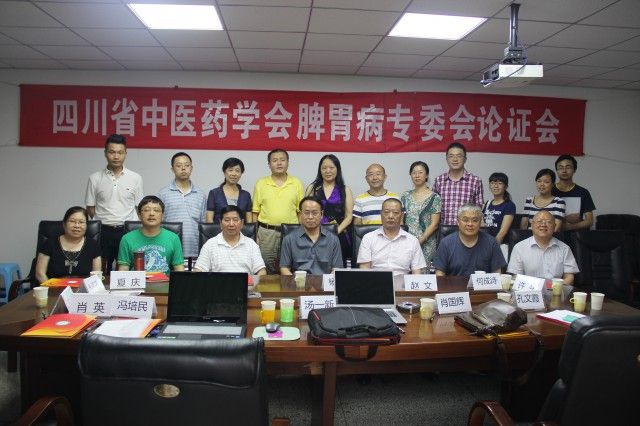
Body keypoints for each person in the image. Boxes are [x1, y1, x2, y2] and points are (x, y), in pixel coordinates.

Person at [85, 134, 143, 273]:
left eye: (120, 152)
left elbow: (139, 207)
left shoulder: (135, 178)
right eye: (112, 152)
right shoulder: (94, 178)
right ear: (105, 153)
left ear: (125, 153)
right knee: (101, 270)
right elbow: (90, 207)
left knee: (126, 269)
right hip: (103, 230)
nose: (116, 156)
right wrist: (105, 218)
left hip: (127, 231)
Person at [252, 149, 304, 274]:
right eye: (275, 160)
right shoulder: (261, 183)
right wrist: (255, 235)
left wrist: (300, 233)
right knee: (265, 267)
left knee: (291, 266)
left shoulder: (296, 183)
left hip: (291, 232)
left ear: (288, 163)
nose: (279, 163)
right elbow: (255, 212)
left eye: (282, 160)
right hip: (266, 233)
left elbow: (301, 212)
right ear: (269, 164)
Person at [305, 154, 353, 267]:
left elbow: (349, 216)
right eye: (324, 168)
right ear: (320, 170)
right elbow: (305, 212)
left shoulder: (345, 189)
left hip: (339, 235)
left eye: (331, 168)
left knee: (338, 269)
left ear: (337, 169)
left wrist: (336, 232)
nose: (328, 171)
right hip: (315, 235)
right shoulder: (312, 188)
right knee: (316, 267)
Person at [432, 204, 506, 276]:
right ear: (458, 221)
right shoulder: (446, 243)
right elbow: (439, 274)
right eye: (465, 220)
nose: (470, 224)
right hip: (453, 284)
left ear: (480, 222)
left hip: (482, 284)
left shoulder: (491, 243)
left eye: (475, 220)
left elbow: (497, 274)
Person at [357, 198, 426, 275]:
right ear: (381, 214)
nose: (390, 216)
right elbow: (364, 270)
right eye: (386, 212)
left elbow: (417, 273)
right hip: (376, 281)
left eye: (395, 212)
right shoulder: (368, 238)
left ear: (402, 215)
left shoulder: (412, 241)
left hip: (402, 281)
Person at [157, 152, 206, 260]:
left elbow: (203, 224)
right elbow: (159, 223)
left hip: (195, 249)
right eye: (179, 166)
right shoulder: (163, 194)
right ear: (172, 169)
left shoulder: (201, 194)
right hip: (169, 248)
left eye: (187, 165)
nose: (183, 168)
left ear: (191, 168)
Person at [508, 210, 579, 285]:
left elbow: (569, 277)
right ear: (532, 225)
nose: (543, 224)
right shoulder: (519, 248)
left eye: (548, 222)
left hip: (556, 290)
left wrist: (553, 288)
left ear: (554, 226)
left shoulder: (564, 248)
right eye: (539, 221)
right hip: (529, 290)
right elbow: (516, 277)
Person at [117, 196, 184, 273]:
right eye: (146, 210)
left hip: (165, 280)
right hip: (137, 280)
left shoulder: (173, 238)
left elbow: (179, 269)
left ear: (162, 215)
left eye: (156, 210)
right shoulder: (127, 239)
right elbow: (123, 271)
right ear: (139, 215)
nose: (151, 214)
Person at [35, 206, 102, 283]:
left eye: (81, 222)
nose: (77, 226)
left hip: (84, 289)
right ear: (64, 224)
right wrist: (51, 288)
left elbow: (96, 275)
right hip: (53, 288)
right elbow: (40, 274)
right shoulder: (49, 243)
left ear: (86, 225)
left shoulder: (93, 245)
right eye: (72, 221)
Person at [280, 196, 343, 275]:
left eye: (315, 213)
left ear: (321, 214)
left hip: (324, 281)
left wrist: (327, 281)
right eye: (306, 213)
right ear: (300, 214)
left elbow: (337, 268)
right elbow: (284, 268)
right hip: (299, 281)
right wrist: (296, 281)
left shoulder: (333, 239)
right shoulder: (289, 239)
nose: (310, 217)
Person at [194, 205, 266, 275]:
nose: (231, 224)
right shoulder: (210, 244)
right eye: (227, 220)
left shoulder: (251, 244)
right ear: (220, 223)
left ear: (242, 223)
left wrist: (255, 282)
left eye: (235, 220)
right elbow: (198, 270)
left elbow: (261, 271)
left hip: (245, 283)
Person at [400, 161, 441, 267]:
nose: (417, 175)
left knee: (423, 272)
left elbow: (434, 224)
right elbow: (401, 221)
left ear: (426, 175)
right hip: (406, 242)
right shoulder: (405, 196)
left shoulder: (435, 197)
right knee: (406, 270)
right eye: (414, 173)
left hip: (427, 242)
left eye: (420, 172)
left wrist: (420, 240)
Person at [433, 142, 483, 225]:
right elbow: (433, 209)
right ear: (446, 159)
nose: (455, 159)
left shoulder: (475, 181)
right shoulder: (439, 181)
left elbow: (478, 210)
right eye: (451, 156)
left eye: (459, 156)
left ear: (465, 159)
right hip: (442, 229)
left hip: (467, 229)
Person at [552, 154, 596, 231]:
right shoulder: (550, 191)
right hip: (554, 234)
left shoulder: (583, 192)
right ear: (557, 170)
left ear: (574, 170)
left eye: (568, 167)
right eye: (561, 167)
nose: (564, 170)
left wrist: (569, 227)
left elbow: (589, 221)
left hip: (577, 235)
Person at [206, 157, 253, 223]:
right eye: (230, 170)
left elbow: (249, 221)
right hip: (219, 229)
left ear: (241, 173)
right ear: (224, 172)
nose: (234, 174)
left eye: (237, 171)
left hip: (241, 230)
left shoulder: (246, 195)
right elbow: (209, 220)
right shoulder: (214, 193)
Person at [482, 172, 516, 244]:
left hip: (500, 244)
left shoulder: (509, 205)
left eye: (500, 183)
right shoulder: (488, 203)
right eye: (492, 183)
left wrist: (493, 246)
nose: (495, 186)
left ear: (506, 187)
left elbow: (503, 232)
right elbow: (482, 224)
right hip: (485, 242)